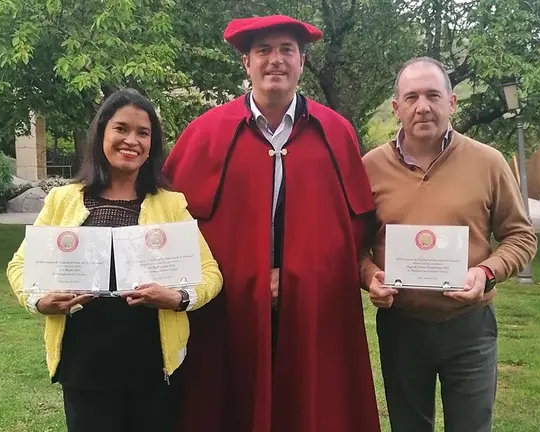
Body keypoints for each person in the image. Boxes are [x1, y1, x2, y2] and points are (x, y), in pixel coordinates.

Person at [161, 14, 381, 432]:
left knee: (312, 407)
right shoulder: (205, 133)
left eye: (286, 50)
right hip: (228, 313)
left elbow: (353, 229)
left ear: (301, 62)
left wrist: (297, 275)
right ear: (246, 63)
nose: (275, 60)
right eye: (264, 51)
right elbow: (169, 222)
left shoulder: (336, 133)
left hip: (314, 311)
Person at [6, 89, 223, 432]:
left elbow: (210, 274)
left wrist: (179, 298)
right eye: (121, 129)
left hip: (154, 364)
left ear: (152, 144)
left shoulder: (169, 204)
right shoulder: (63, 200)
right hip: (84, 363)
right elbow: (20, 266)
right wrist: (38, 300)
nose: (131, 140)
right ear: (102, 133)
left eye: (143, 132)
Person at [360, 57, 538, 432]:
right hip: (401, 326)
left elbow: (520, 235)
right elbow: (351, 245)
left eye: (432, 95)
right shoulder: (369, 168)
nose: (422, 106)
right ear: (397, 108)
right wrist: (370, 275)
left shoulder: (488, 162)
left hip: (469, 328)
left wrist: (486, 272)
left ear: (451, 102)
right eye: (411, 97)